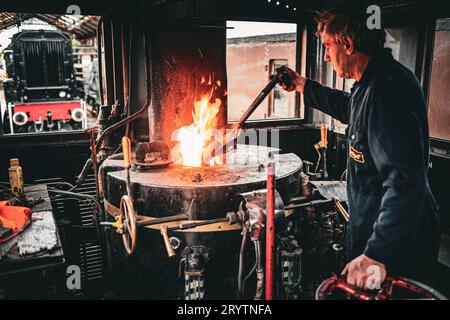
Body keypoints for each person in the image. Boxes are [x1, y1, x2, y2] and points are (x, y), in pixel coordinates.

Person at [278, 6, 441, 289]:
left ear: (348, 44)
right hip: (377, 229)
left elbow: (404, 183)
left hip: (396, 245)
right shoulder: (373, 81)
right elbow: (349, 107)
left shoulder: (386, 92)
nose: (326, 56)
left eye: (328, 46)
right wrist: (304, 86)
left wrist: (377, 253)